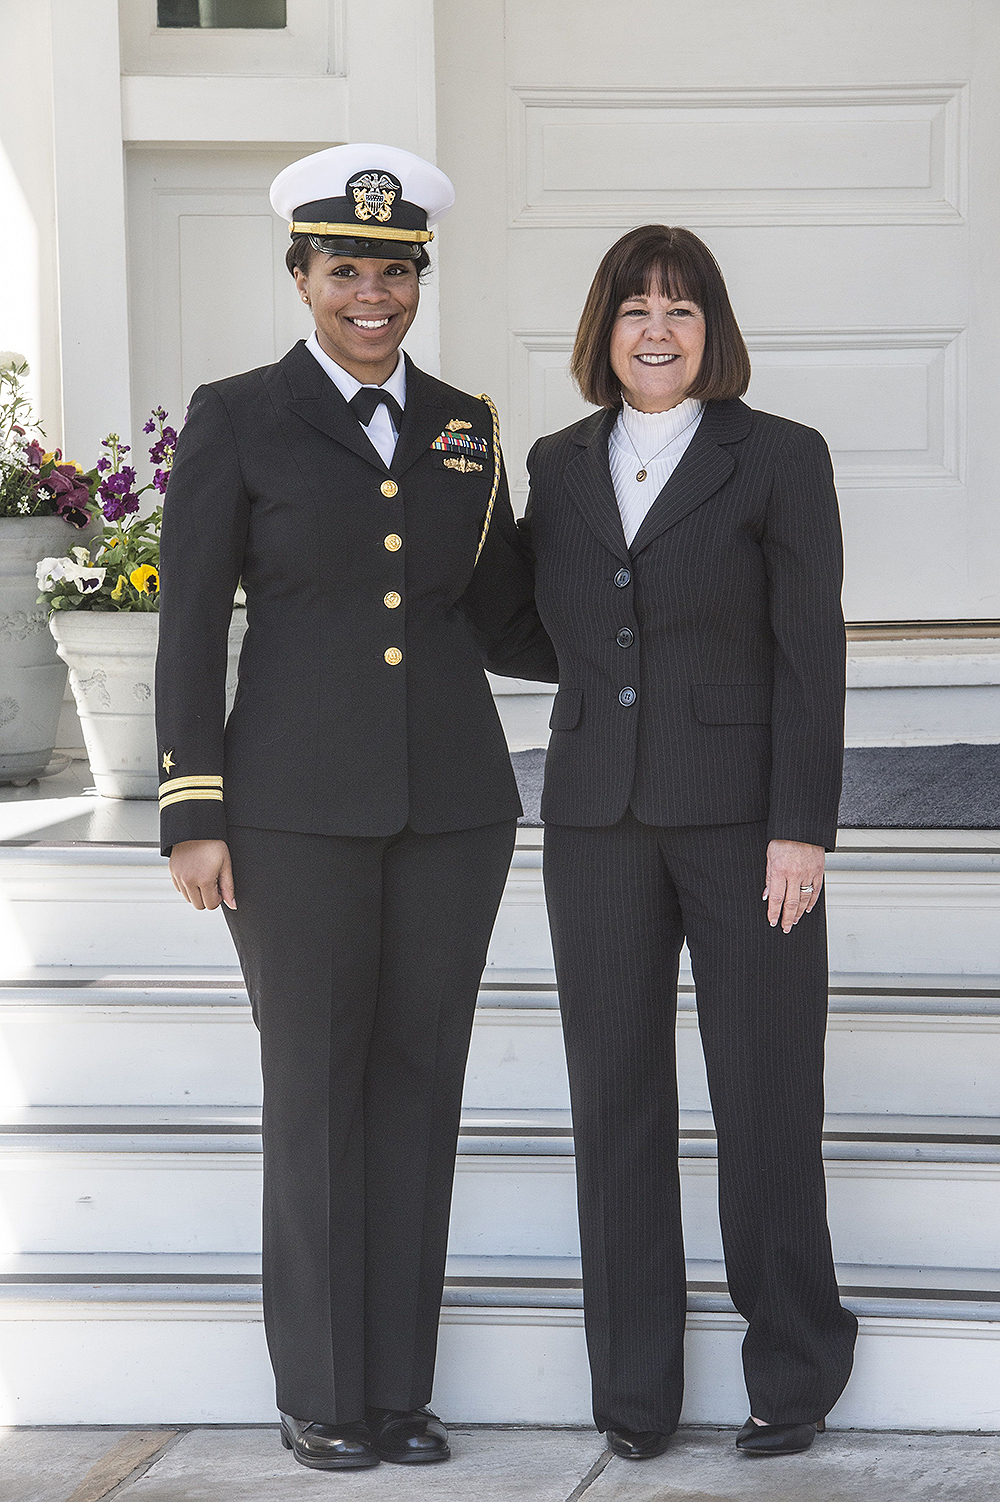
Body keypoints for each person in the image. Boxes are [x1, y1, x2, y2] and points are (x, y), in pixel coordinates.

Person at [154, 142, 557, 1473]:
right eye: (345, 269)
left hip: (452, 808)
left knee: (417, 1089)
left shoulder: (467, 423)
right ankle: (322, 1390)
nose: (371, 292)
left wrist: (652, 619)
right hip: (289, 813)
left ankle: (397, 1389)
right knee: (314, 1091)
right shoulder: (235, 417)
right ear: (301, 276)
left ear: (417, 278)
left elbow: (504, 614)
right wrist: (192, 807)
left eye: (394, 269)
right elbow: (194, 618)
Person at [522, 225, 857, 1460]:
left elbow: (810, 654)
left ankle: (792, 1371)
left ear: (711, 329)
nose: (654, 330)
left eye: (679, 308)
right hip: (594, 821)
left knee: (766, 1093)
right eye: (631, 309)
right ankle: (635, 1392)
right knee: (614, 1102)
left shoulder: (777, 457)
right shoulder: (555, 464)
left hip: (741, 826)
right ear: (600, 331)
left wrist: (800, 829)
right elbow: (533, 615)